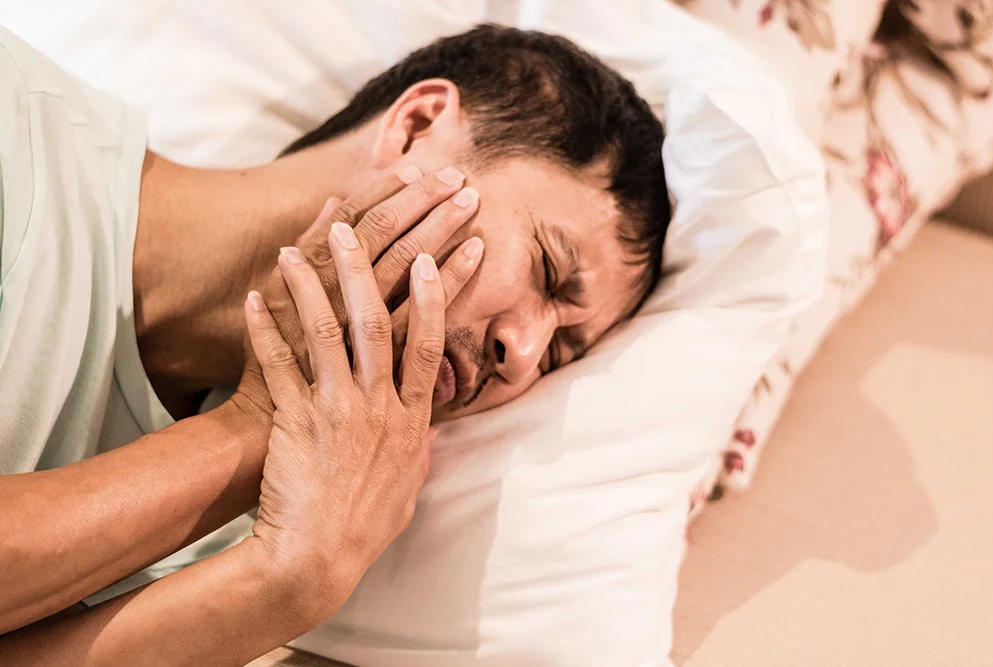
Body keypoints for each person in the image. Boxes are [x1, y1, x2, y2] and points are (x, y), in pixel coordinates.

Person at [0, 23, 670, 665]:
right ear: (416, 128)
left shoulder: (292, 516)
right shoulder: (17, 135)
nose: (521, 354)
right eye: (548, 268)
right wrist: (250, 430)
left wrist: (283, 585)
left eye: (559, 354)